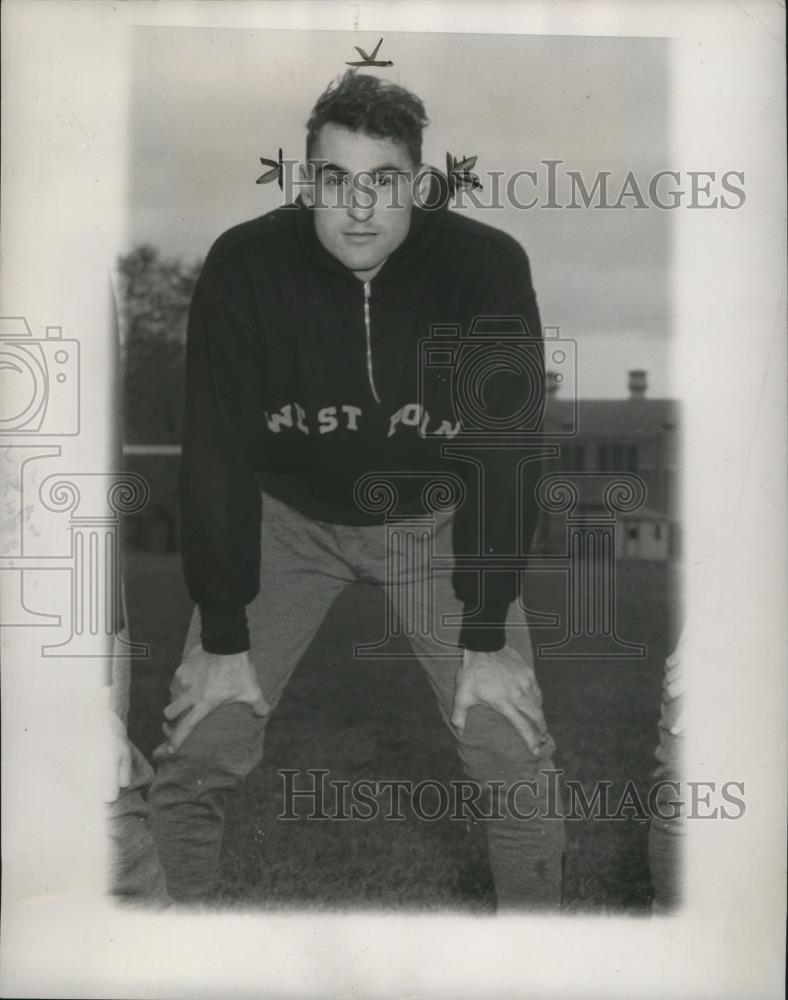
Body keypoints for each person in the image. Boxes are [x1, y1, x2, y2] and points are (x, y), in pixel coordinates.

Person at [147, 71, 565, 910]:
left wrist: (485, 634)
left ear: (417, 182)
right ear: (308, 183)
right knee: (200, 742)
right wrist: (224, 637)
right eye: (336, 180)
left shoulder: (484, 267)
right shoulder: (247, 262)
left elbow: (506, 449)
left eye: (384, 181)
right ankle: (164, 953)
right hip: (286, 519)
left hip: (435, 523)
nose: (361, 206)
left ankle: (540, 959)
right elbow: (216, 450)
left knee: (511, 747)